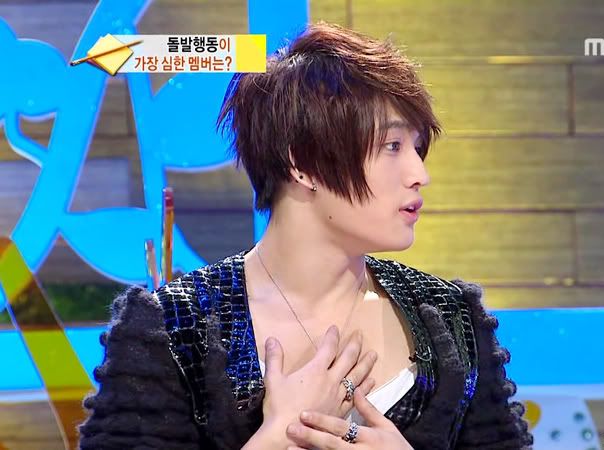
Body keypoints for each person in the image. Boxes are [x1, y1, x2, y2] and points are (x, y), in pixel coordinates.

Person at [78, 21, 533, 450]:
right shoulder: (174, 328)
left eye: (417, 148)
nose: (419, 174)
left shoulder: (452, 319)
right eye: (392, 146)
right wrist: (277, 437)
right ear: (303, 163)